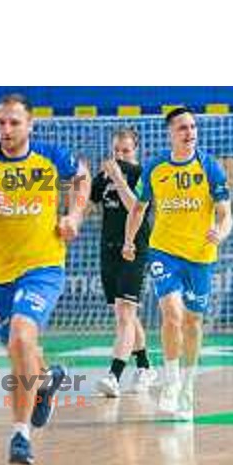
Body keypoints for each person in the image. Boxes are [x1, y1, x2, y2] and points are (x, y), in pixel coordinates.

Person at [0, 93, 90, 465]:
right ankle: (47, 379)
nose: (7, 129)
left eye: (14, 122)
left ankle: (20, 436)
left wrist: (74, 217)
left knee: (21, 336)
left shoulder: (50, 156)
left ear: (30, 125)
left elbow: (83, 176)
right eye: (1, 122)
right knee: (20, 350)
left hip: (43, 266)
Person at [123, 107, 233, 420]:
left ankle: (187, 388)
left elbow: (225, 213)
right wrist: (130, 241)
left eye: (193, 127)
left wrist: (220, 233)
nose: (190, 132)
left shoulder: (210, 168)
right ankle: (170, 383)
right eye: (183, 128)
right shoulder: (156, 168)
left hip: (200, 256)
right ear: (171, 133)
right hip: (164, 251)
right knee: (172, 314)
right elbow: (139, 208)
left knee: (193, 323)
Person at [91, 128, 156, 397]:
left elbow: (134, 208)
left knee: (125, 314)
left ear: (135, 150)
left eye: (126, 151)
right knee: (125, 314)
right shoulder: (103, 176)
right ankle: (145, 367)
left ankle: (114, 376)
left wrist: (118, 178)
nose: (120, 156)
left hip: (134, 249)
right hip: (109, 250)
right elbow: (88, 202)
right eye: (116, 151)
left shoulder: (143, 175)